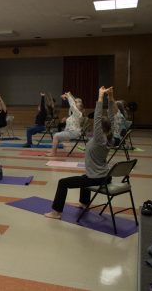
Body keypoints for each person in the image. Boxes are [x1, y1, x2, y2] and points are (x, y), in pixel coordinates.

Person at [44, 86, 115, 219]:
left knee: (62, 183)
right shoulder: (110, 137)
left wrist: (100, 97)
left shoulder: (99, 139)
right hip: (105, 176)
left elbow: (99, 117)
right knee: (85, 177)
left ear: (99, 127)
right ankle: (84, 203)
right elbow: (112, 118)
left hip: (96, 178)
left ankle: (56, 212)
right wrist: (110, 97)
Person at [46, 92, 84, 156]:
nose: (75, 104)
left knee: (56, 136)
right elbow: (73, 104)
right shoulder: (74, 113)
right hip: (71, 131)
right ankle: (53, 150)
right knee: (57, 136)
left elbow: (72, 105)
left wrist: (68, 96)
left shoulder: (78, 113)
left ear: (79, 107)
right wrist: (67, 96)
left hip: (73, 133)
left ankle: (53, 153)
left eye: (76, 103)